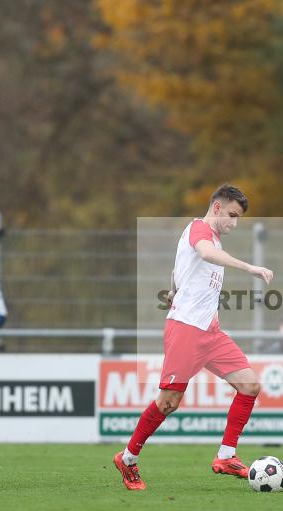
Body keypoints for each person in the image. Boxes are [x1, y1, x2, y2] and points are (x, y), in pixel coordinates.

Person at [113, 184, 274, 491]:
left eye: (238, 218)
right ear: (216, 207)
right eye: (232, 215)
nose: (234, 223)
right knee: (169, 402)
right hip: (186, 329)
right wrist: (249, 267)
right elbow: (204, 252)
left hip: (210, 331)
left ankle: (226, 456)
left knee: (250, 386)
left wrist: (174, 288)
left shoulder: (209, 237)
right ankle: (128, 458)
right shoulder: (199, 230)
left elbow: (180, 269)